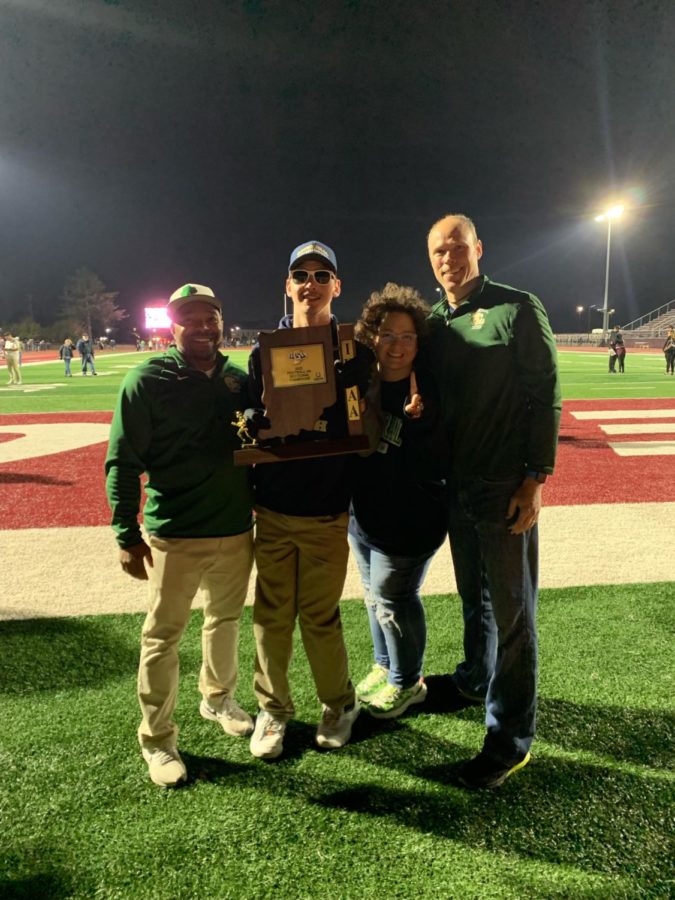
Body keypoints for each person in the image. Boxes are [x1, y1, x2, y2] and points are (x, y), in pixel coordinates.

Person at [425, 213, 561, 789]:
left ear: (479, 248)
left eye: (457, 247)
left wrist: (535, 478)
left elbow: (545, 393)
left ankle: (510, 739)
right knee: (473, 600)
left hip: (505, 487)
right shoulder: (432, 322)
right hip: (456, 487)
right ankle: (474, 678)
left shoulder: (516, 307)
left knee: (513, 616)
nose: (448, 258)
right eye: (437, 251)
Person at [105, 283, 255, 788]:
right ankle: (157, 738)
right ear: (172, 325)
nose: (202, 326)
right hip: (176, 532)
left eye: (209, 316)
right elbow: (122, 462)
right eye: (189, 318)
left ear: (220, 321)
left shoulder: (238, 379)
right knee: (162, 637)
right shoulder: (147, 378)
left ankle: (217, 699)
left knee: (225, 620)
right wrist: (127, 533)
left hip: (235, 527)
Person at [246, 240, 373, 760]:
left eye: (323, 276)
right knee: (272, 615)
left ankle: (340, 704)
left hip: (324, 511)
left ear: (337, 286)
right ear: (287, 284)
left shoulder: (353, 350)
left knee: (320, 616)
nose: (311, 284)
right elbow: (250, 422)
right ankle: (273, 709)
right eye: (301, 274)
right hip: (273, 508)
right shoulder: (263, 351)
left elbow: (366, 424)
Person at [349, 283, 447, 719]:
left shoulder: (429, 388)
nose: (398, 345)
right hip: (365, 514)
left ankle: (409, 683)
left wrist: (420, 422)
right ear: (372, 337)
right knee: (374, 598)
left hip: (411, 518)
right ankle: (385, 664)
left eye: (407, 336)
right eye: (388, 334)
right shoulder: (361, 382)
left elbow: (440, 456)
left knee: (394, 600)